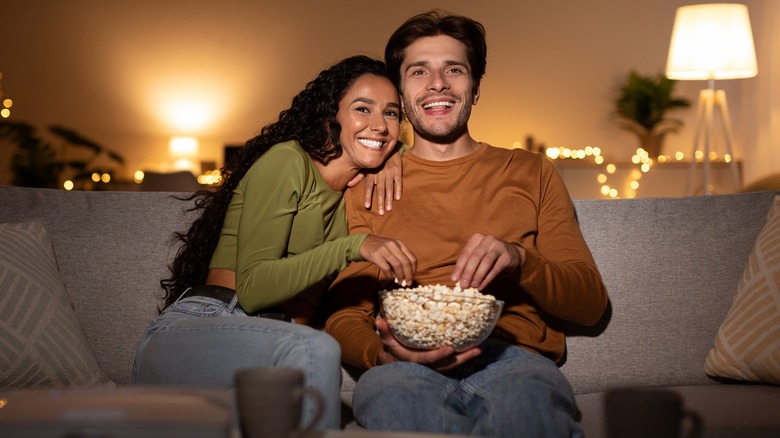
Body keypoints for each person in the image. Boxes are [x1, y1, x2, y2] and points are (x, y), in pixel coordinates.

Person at [325, 11, 608, 437]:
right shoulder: (366, 184)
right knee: (394, 404)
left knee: (530, 415)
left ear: (474, 89)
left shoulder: (531, 171)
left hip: (514, 358)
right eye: (419, 71)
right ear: (400, 93)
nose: (437, 83)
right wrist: (383, 357)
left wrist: (519, 259)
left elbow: (589, 305)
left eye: (453, 70)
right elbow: (345, 311)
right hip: (405, 365)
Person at [133, 55, 417, 431]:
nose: (380, 125)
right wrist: (355, 246)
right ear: (330, 114)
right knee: (314, 349)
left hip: (270, 345)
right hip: (202, 328)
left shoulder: (355, 194)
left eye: (392, 114)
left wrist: (398, 155)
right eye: (363, 109)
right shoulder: (288, 162)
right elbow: (252, 290)